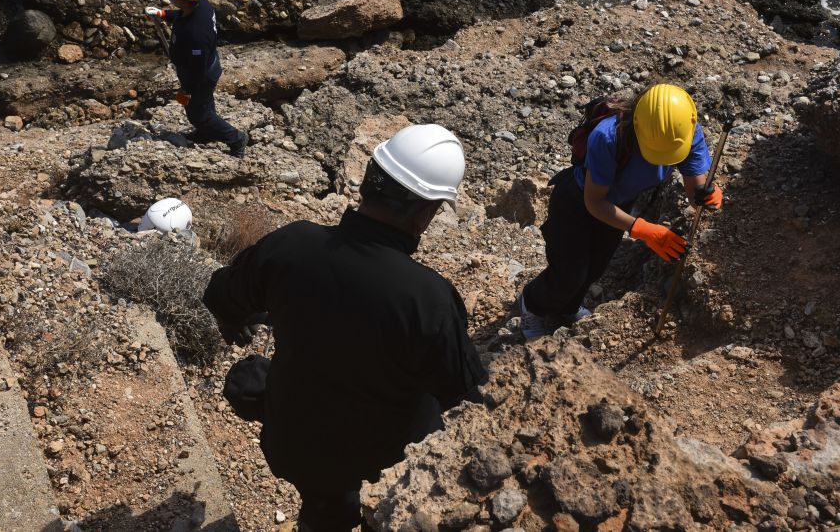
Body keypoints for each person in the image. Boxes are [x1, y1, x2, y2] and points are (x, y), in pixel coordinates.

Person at [202, 124, 488, 532]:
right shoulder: (429, 298)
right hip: (386, 463)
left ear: (369, 179)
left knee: (323, 510)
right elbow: (465, 397)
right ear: (426, 213)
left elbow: (220, 295)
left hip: (299, 445)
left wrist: (239, 320)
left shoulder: (292, 244)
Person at [519, 84, 723, 340]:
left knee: (595, 268)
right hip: (577, 202)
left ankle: (568, 307)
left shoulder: (684, 132)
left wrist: (707, 195)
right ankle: (532, 305)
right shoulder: (608, 137)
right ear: (638, 127)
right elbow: (594, 202)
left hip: (619, 205)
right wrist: (643, 229)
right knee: (569, 274)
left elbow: (696, 191)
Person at [145, 0, 246, 158]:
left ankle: (236, 138)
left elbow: (198, 68)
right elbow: (182, 15)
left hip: (201, 74)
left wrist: (187, 89)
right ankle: (205, 133)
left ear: (183, 0)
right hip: (202, 66)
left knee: (198, 114)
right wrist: (163, 14)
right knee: (204, 105)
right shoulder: (199, 5)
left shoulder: (197, 32)